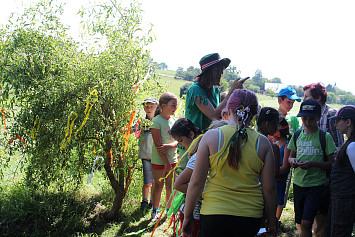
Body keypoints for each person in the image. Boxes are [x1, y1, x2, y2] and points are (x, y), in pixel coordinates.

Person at [183, 89, 278, 237]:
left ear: (228, 109)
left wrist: (188, 216)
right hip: (249, 217)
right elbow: (269, 189)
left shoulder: (211, 137)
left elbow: (196, 182)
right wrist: (272, 222)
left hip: (213, 213)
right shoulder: (264, 143)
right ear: (254, 114)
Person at [287, 99, 337, 237]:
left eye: (312, 119)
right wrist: (293, 161)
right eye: (304, 119)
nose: (307, 122)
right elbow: (290, 156)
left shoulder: (324, 136)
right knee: (302, 224)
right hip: (298, 184)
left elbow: (332, 163)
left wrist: (313, 164)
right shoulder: (297, 135)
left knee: (306, 223)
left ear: (319, 118)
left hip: (316, 185)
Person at [172, 119, 227, 237]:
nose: (180, 144)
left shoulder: (213, 155)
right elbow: (178, 184)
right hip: (195, 214)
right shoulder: (199, 156)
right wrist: (204, 193)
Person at [303, 83, 344, 237]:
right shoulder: (307, 114)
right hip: (307, 175)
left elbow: (339, 147)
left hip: (325, 175)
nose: (304, 99)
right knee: (308, 214)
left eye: (307, 96)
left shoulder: (331, 115)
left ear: (319, 98)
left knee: (321, 214)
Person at [185, 53, 248, 133]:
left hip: (208, 139)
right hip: (193, 141)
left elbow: (220, 113)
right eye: (217, 69)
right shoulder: (195, 90)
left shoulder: (215, 90)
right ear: (208, 72)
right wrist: (231, 92)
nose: (221, 73)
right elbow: (214, 116)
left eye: (222, 69)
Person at [324, 105, 355, 237]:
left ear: (348, 122)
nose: (335, 123)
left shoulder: (353, 145)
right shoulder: (349, 143)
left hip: (345, 199)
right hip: (340, 197)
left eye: (338, 120)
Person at [150, 92, 179, 222]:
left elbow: (179, 140)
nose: (175, 108)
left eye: (176, 106)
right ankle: (154, 211)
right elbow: (158, 145)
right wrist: (166, 163)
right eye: (173, 105)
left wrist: (170, 146)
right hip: (160, 161)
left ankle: (169, 210)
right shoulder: (156, 121)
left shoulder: (174, 121)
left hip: (173, 159)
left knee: (170, 186)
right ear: (163, 105)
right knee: (158, 185)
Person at [303, 83, 344, 148]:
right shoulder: (306, 114)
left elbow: (339, 143)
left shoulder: (330, 114)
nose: (303, 100)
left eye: (306, 97)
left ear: (318, 98)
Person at [139, 97, 158, 209]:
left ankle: (152, 201)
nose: (149, 108)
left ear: (157, 107)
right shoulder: (142, 122)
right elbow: (130, 130)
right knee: (147, 182)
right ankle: (144, 201)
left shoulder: (159, 121)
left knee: (156, 183)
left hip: (157, 157)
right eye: (147, 106)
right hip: (146, 156)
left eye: (152, 106)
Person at [271, 118, 291, 220]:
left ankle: (275, 221)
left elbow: (284, 167)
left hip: (279, 181)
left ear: (277, 132)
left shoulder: (287, 146)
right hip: (272, 180)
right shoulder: (275, 145)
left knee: (279, 202)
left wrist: (269, 171)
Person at [257, 107, 280, 178]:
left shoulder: (247, 140)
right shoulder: (273, 147)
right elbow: (274, 174)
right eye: (276, 124)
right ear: (268, 124)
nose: (277, 128)